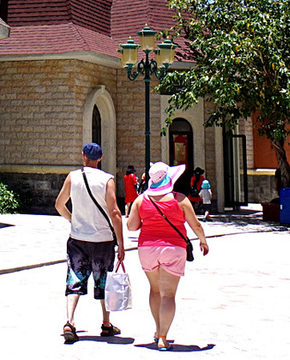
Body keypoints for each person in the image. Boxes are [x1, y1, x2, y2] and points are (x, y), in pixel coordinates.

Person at [127, 161, 210, 351]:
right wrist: (203, 241)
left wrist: (146, 222)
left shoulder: (141, 200)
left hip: (147, 249)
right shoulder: (179, 199)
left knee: (155, 290)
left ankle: (157, 331)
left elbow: (131, 226)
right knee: (168, 294)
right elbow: (195, 224)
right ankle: (163, 337)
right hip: (173, 249)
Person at [54, 142, 126, 344]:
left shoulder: (73, 176)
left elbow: (59, 204)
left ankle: (70, 321)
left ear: (83, 156)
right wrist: (120, 242)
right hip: (102, 240)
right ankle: (105, 323)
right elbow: (115, 212)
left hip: (77, 238)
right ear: (100, 158)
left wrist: (72, 219)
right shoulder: (107, 179)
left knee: (74, 277)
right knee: (103, 279)